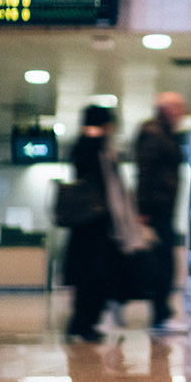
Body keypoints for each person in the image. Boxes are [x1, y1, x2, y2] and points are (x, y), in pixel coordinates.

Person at [64, 105, 129, 342]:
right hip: (93, 224)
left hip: (92, 224)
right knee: (93, 277)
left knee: (92, 277)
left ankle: (84, 323)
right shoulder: (93, 146)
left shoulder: (88, 146)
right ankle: (83, 324)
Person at [134, 91, 188, 333]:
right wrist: (143, 209)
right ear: (166, 109)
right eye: (178, 109)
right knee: (161, 262)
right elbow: (146, 172)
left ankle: (162, 311)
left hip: (162, 207)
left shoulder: (164, 134)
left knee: (163, 261)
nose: (182, 114)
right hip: (155, 209)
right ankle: (160, 313)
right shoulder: (154, 134)